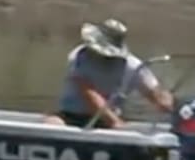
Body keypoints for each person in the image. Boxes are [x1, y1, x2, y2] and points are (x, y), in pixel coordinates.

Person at [44, 18, 174, 129]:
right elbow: (90, 94)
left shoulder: (132, 65)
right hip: (71, 116)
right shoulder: (79, 57)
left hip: (107, 121)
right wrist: (114, 122)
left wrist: (165, 103)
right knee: (52, 124)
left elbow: (154, 91)